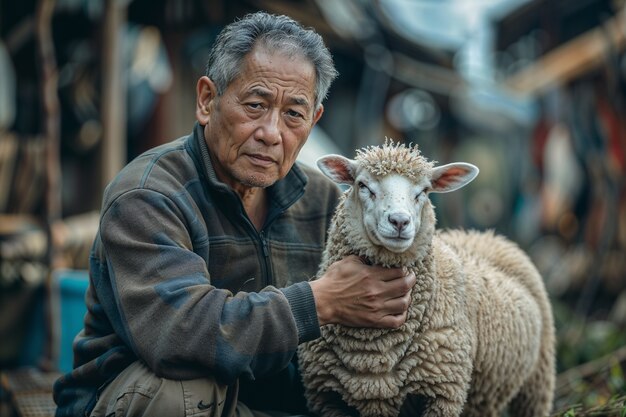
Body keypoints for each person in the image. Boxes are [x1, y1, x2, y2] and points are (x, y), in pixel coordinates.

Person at [53, 11, 415, 417]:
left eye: (293, 114)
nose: (271, 132)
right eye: (256, 105)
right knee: (178, 394)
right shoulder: (148, 194)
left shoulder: (325, 201)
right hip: (149, 404)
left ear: (313, 121)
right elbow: (180, 336)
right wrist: (321, 302)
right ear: (208, 100)